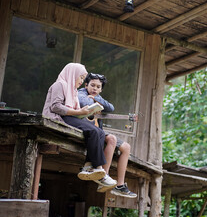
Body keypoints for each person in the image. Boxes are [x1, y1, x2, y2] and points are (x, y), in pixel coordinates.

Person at [42, 63, 117, 192]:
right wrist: (79, 112)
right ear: (73, 75)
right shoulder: (59, 85)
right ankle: (99, 169)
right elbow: (55, 107)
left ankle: (88, 166)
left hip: (70, 117)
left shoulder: (72, 90)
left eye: (83, 78)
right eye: (81, 78)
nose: (82, 81)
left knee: (99, 132)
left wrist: (85, 112)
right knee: (93, 131)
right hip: (58, 118)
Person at [78, 73, 137, 198]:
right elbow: (83, 102)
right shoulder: (81, 93)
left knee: (126, 147)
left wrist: (96, 98)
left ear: (101, 89)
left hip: (98, 130)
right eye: (92, 85)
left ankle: (120, 185)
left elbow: (110, 107)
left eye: (98, 87)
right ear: (86, 85)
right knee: (112, 138)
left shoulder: (97, 96)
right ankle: (103, 176)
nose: (95, 89)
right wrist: (93, 100)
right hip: (87, 129)